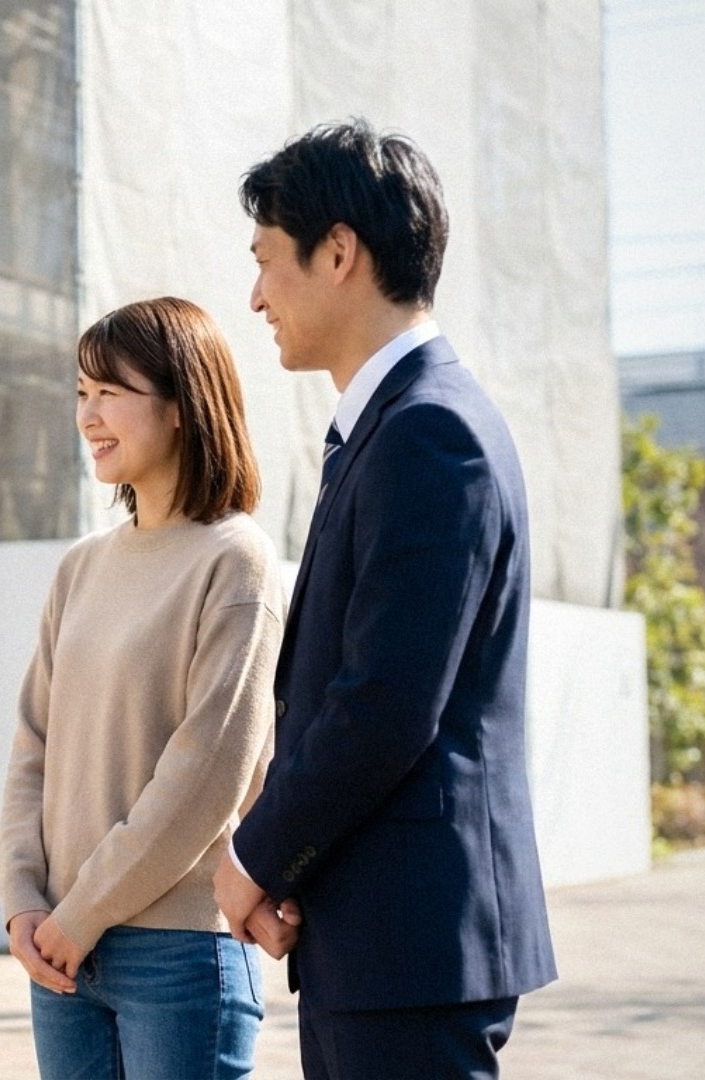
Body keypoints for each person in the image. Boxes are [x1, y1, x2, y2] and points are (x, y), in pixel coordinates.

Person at [213, 120, 558, 1079]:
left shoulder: (429, 432)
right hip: (385, 939)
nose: (254, 296)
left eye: (266, 262)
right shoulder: (393, 428)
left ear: (337, 253)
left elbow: (385, 702)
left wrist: (254, 858)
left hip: (415, 945)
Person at [0, 296, 294, 1080]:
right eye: (81, 393)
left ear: (181, 408)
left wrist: (80, 915)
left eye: (111, 393)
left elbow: (206, 776)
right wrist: (23, 900)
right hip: (61, 953)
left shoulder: (237, 559)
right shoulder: (81, 567)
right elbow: (34, 746)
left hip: (178, 953)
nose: (89, 415)